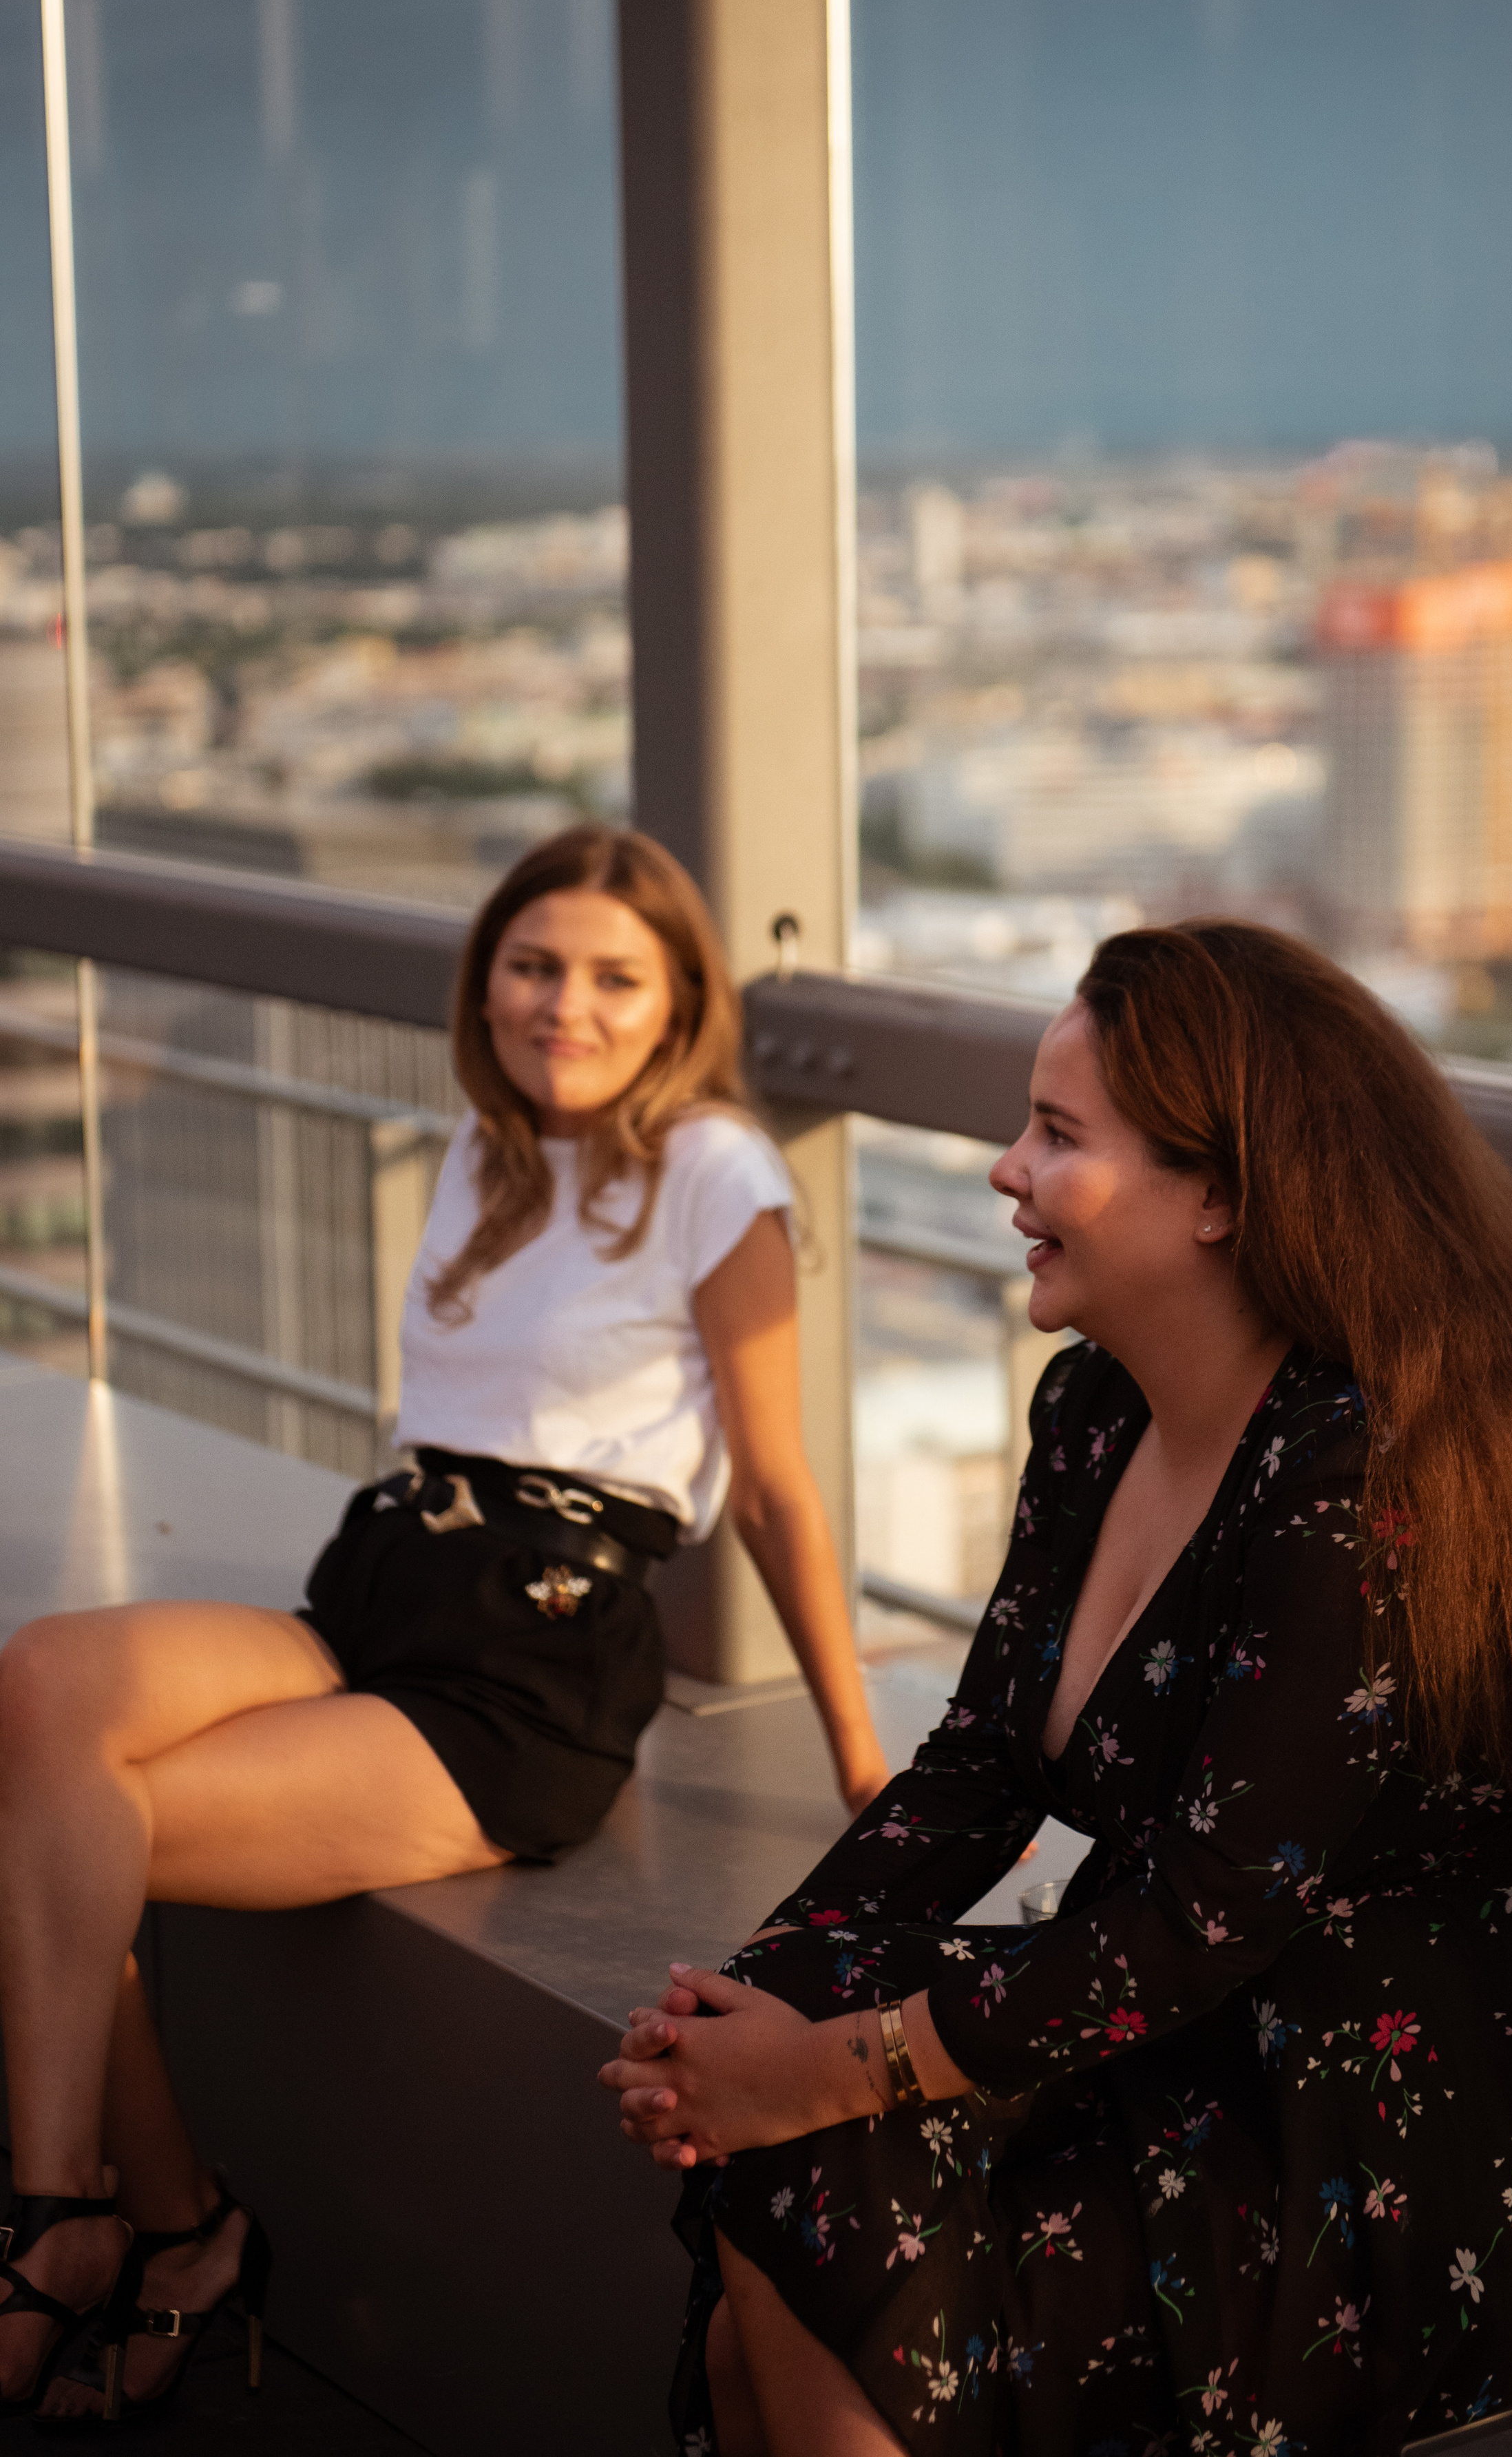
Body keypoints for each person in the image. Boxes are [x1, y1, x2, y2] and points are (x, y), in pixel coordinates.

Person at [602, 919, 1512, 2457]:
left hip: (1450, 2108)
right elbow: (975, 1763)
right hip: (1220, 2014)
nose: (1001, 1170)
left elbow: (1202, 1913)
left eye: (1055, 1134)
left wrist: (815, 2070)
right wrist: (735, 2010)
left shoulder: (1359, 1474)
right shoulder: (1092, 1408)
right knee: (785, 2116)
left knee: (813, 2178)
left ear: (1220, 1194)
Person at [0, 821, 887, 2425]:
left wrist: (856, 1756)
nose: (566, 1006)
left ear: (678, 999)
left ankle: (87, 2224)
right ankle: (156, 2226)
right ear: (486, 982)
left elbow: (775, 1490)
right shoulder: (482, 1149)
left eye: (615, 978)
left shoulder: (713, 1171)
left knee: (74, 1827)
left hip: (530, 1666)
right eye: (534, 967)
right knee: (47, 1685)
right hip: (382, 1585)